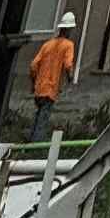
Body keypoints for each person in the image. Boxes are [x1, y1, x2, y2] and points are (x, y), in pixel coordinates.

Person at [29, 11, 77, 143]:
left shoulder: (47, 45)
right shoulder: (68, 45)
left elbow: (33, 65)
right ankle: (35, 147)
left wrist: (33, 83)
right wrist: (70, 78)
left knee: (39, 115)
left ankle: (30, 142)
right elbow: (68, 64)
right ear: (69, 29)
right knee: (42, 119)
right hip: (50, 89)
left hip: (39, 88)